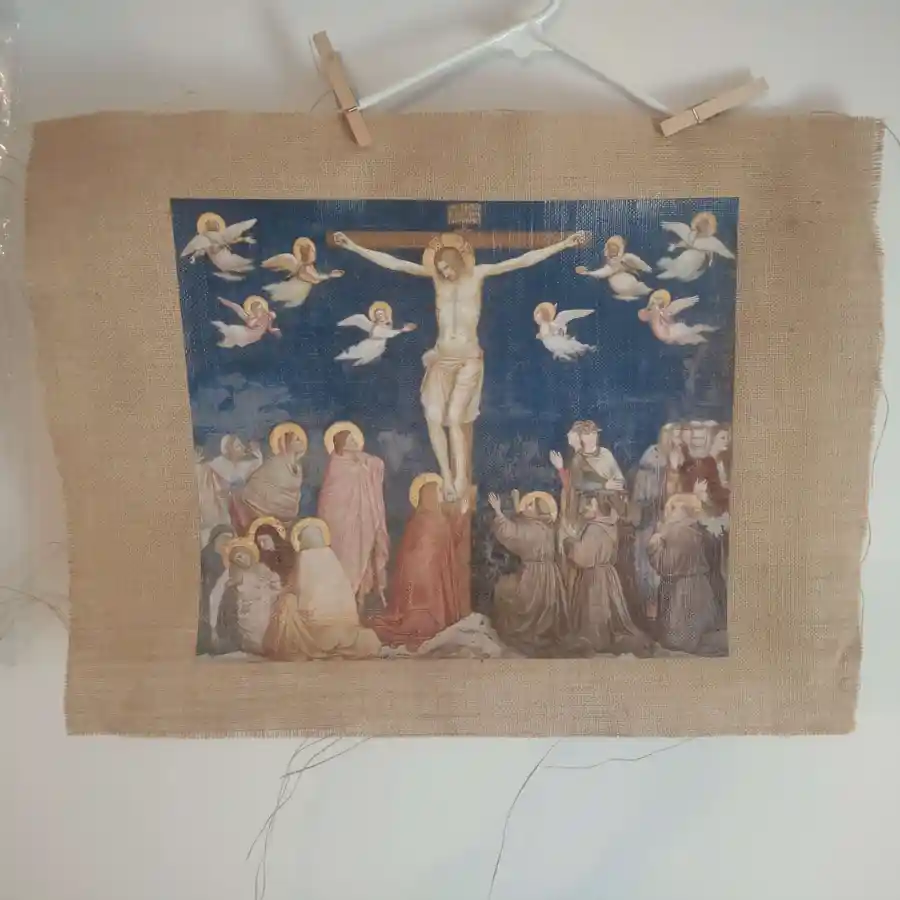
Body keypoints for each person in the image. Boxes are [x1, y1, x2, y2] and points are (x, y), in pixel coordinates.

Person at [334, 228, 587, 500]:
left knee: (455, 418)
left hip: (468, 358)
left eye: (447, 267)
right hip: (441, 358)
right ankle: (447, 476)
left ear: (457, 262)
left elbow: (521, 261)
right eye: (440, 269)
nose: (445, 273)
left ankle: (460, 478)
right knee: (433, 417)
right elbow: (396, 263)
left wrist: (562, 244)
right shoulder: (437, 279)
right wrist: (353, 247)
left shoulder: (478, 274)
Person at [370, 474, 470, 649]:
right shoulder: (426, 520)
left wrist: (461, 514)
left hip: (430, 575)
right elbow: (423, 550)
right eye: (438, 491)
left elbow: (450, 540)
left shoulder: (429, 518)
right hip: (422, 579)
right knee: (425, 617)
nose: (441, 495)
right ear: (429, 495)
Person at [263, 519, 382, 661]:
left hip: (313, 626)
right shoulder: (331, 558)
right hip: (343, 625)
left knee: (287, 602)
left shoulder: (305, 558)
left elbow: (297, 589)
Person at [316, 422, 390, 613]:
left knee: (364, 555)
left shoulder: (362, 460)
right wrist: (360, 468)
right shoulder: (336, 465)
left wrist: (363, 463)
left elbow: (378, 464)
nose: (355, 442)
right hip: (341, 526)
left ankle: (361, 599)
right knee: (345, 560)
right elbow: (331, 500)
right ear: (341, 443)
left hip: (363, 521)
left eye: (355, 439)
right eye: (350, 440)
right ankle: (344, 601)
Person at [563, 495, 652, 654]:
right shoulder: (609, 525)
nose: (584, 510)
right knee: (607, 607)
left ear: (597, 509)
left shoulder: (595, 529)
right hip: (608, 574)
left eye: (588, 506)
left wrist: (569, 542)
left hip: (595, 576)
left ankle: (596, 639)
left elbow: (584, 556)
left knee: (595, 607)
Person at [488, 490, 568, 656]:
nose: (525, 507)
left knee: (510, 594)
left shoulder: (531, 528)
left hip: (533, 575)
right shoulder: (548, 527)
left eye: (530, 505)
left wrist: (498, 511)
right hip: (551, 576)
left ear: (538, 510)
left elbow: (511, 533)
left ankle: (527, 635)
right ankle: (542, 635)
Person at [647, 493, 723, 654]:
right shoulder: (699, 530)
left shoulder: (672, 532)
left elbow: (666, 564)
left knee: (679, 636)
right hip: (699, 585)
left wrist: (654, 544)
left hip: (679, 588)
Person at [631, 424, 676, 617]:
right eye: (669, 437)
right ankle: (651, 610)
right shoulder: (648, 465)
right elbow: (640, 500)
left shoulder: (678, 460)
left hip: (670, 522)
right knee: (649, 567)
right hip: (650, 523)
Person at [232, 423, 307, 532]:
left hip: (287, 513)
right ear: (286, 443)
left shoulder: (298, 467)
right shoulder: (275, 463)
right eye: (297, 440)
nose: (302, 443)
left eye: (301, 440)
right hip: (261, 508)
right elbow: (264, 488)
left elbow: (293, 492)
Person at [215, 537, 282, 656]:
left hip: (265, 604)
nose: (241, 559)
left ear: (250, 554)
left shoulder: (261, 568)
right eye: (237, 557)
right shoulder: (235, 574)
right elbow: (234, 591)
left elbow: (274, 584)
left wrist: (269, 589)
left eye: (243, 555)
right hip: (246, 608)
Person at [197, 524, 234, 654]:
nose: (227, 542)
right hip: (207, 597)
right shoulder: (207, 555)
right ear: (214, 539)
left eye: (230, 539)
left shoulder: (230, 556)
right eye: (224, 538)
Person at [248, 516, 295, 585]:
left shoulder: (287, 552)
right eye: (259, 542)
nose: (262, 545)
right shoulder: (262, 557)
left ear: (273, 538)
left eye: (264, 540)